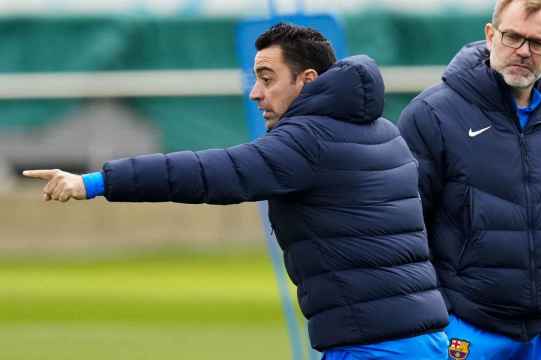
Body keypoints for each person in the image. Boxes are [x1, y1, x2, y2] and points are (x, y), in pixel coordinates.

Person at [24, 23, 450, 359]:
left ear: (307, 79)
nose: (255, 93)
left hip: (372, 346)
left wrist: (93, 182)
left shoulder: (306, 142)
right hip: (423, 339)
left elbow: (208, 172)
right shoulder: (383, 132)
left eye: (267, 78)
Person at [397, 1, 541, 359]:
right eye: (513, 37)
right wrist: (434, 320)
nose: (523, 51)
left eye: (537, 43)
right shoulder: (431, 114)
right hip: (465, 330)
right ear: (491, 35)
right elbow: (402, 228)